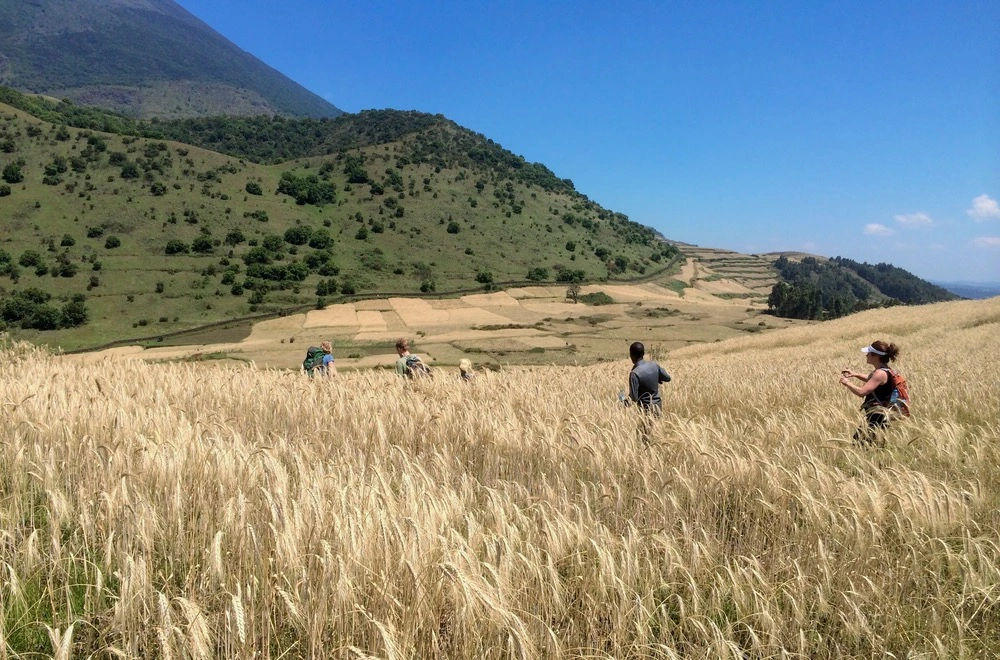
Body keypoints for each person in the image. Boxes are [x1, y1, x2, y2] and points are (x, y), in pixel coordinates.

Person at [839, 340, 900, 446]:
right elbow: (871, 379)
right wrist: (855, 374)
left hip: (877, 415)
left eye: (869, 353)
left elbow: (862, 392)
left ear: (875, 356)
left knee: (861, 444)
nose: (866, 355)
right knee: (871, 443)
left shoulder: (880, 373)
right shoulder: (885, 370)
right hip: (880, 414)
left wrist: (847, 383)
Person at [625, 341, 671, 415]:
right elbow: (667, 378)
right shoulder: (654, 365)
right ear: (643, 353)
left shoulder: (634, 374)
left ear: (631, 355)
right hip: (658, 406)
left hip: (645, 410)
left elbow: (633, 399)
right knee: (657, 426)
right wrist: (658, 377)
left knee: (645, 426)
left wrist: (622, 404)